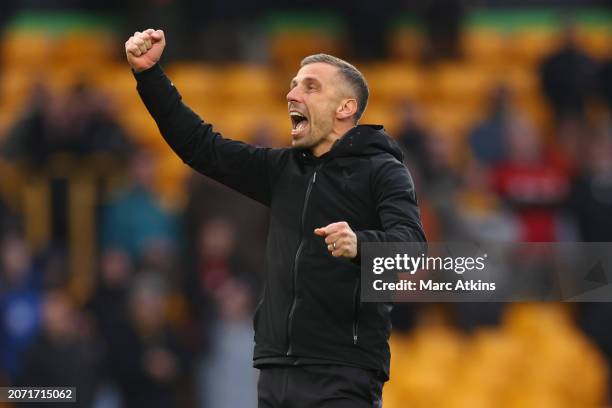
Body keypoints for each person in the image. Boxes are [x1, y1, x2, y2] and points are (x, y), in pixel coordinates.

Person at [125, 29, 426, 407]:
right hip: (274, 375)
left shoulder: (383, 170)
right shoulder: (282, 170)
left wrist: (361, 245)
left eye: (310, 87)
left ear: (345, 108)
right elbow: (201, 147)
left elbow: (413, 251)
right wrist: (150, 77)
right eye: (293, 85)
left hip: (341, 377)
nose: (292, 94)